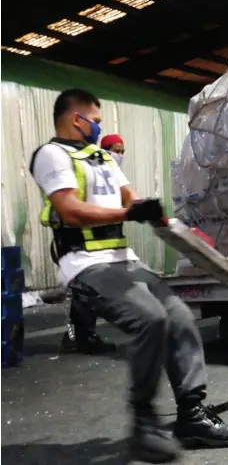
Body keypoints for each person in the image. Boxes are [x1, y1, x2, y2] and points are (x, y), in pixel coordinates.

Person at [30, 89, 228, 463]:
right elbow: (70, 211)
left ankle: (192, 417)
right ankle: (144, 424)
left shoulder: (102, 157)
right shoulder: (52, 155)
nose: (98, 127)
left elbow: (130, 199)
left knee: (179, 317)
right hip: (86, 264)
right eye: (94, 120)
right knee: (150, 318)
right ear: (74, 118)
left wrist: (164, 219)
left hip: (123, 261)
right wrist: (128, 214)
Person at [59, 136, 127, 354]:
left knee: (91, 291)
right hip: (84, 241)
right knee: (83, 291)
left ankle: (79, 335)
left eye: (123, 151)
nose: (120, 155)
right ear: (104, 150)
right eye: (116, 150)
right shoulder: (89, 172)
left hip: (102, 242)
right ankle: (81, 337)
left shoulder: (111, 175)